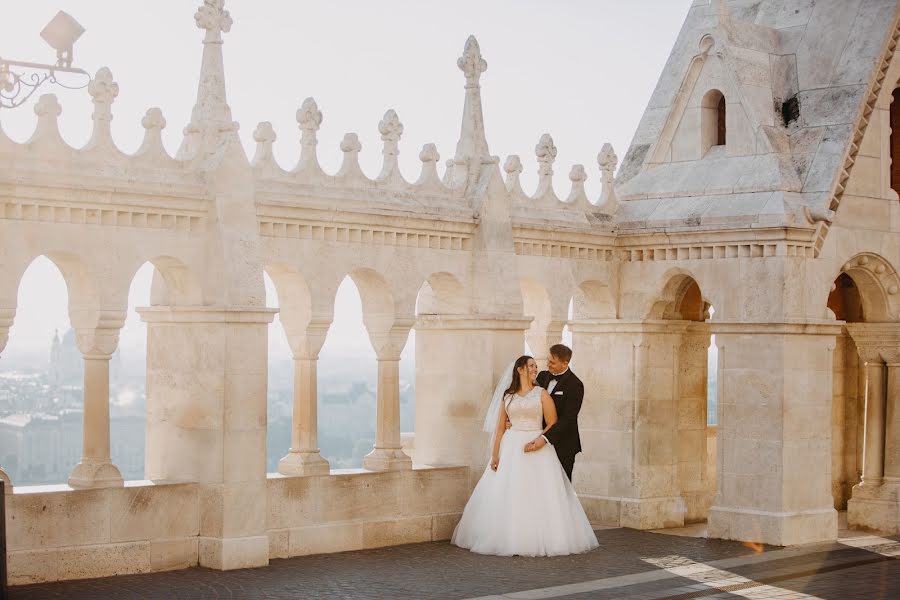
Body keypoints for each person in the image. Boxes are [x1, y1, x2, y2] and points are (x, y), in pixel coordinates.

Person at [451, 355, 598, 557]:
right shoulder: (508, 396)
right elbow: (500, 428)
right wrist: (495, 456)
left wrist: (541, 440)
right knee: (509, 490)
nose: (535, 369)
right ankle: (505, 536)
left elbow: (552, 422)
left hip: (536, 445)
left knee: (538, 492)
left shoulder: (542, 393)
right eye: (531, 366)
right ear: (520, 369)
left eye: (536, 366)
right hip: (510, 446)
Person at [524, 344, 583, 481]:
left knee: (561, 485)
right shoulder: (543, 376)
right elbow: (527, 400)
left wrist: (545, 438)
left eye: (552, 362)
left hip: (563, 444)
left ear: (565, 363)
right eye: (548, 360)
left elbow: (568, 419)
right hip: (537, 437)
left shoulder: (575, 385)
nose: (548, 364)